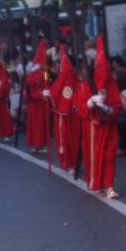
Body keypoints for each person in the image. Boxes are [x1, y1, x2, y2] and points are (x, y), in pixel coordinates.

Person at [78, 37, 122, 198]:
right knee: (96, 158)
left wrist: (106, 107)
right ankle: (99, 183)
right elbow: (81, 107)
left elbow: (117, 107)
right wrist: (90, 103)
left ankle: (109, 185)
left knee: (110, 156)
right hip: (93, 129)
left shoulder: (112, 85)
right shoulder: (86, 85)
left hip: (109, 127)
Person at [47, 44, 80, 172]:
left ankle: (72, 162)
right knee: (69, 140)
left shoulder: (67, 80)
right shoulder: (73, 79)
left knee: (69, 140)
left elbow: (54, 95)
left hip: (69, 116)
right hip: (68, 116)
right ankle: (71, 162)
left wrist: (48, 94)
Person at [24, 41, 51, 153]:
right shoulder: (34, 74)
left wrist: (45, 91)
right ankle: (36, 143)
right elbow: (30, 86)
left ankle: (41, 143)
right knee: (35, 124)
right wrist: (41, 93)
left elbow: (46, 84)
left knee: (40, 124)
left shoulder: (42, 72)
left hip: (39, 103)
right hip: (35, 102)